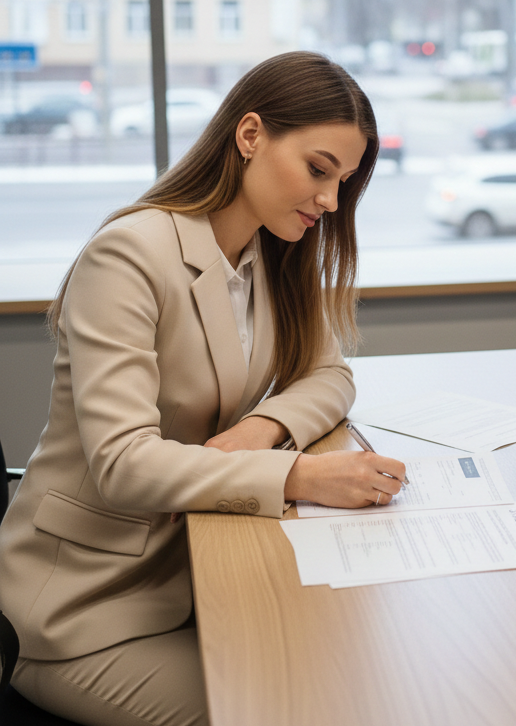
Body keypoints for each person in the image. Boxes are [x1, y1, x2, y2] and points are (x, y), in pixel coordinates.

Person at [0, 52, 407, 726]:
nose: (331, 202)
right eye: (317, 170)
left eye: (344, 182)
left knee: (344, 672)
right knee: (289, 708)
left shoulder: (269, 254)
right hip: (83, 615)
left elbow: (331, 375)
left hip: (191, 575)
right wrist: (297, 474)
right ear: (250, 136)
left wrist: (264, 429)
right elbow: (123, 464)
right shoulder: (130, 255)